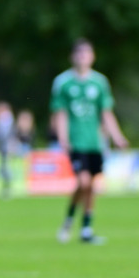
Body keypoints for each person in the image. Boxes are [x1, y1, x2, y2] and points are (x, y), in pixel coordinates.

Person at [50, 38, 128, 245]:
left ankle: (85, 228)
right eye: (79, 53)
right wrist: (63, 137)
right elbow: (61, 113)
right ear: (72, 56)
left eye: (87, 53)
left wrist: (117, 136)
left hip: (95, 142)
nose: (83, 57)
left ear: (92, 57)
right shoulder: (63, 82)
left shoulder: (100, 82)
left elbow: (106, 113)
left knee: (91, 185)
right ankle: (68, 221)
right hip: (76, 142)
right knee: (83, 181)